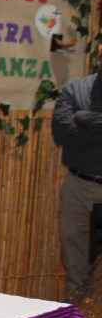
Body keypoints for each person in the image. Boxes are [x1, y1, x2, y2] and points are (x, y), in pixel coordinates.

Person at [51, 43, 102, 301]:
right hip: (79, 189)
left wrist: (82, 118)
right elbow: (62, 133)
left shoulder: (78, 106)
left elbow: (75, 128)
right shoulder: (74, 89)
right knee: (77, 271)